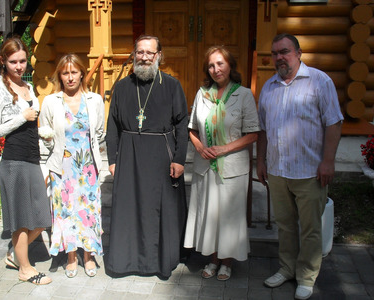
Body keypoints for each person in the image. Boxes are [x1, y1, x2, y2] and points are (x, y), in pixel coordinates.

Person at [256, 33, 343, 300]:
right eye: (275, 53)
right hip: (278, 171)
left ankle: (306, 276)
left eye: (284, 51)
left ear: (298, 52)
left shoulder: (319, 81)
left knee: (309, 228)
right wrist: (260, 160)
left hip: (310, 172)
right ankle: (287, 268)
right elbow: (262, 130)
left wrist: (328, 161)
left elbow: (334, 122)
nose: (279, 57)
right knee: (285, 225)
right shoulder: (269, 86)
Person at [106, 35, 188, 279]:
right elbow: (112, 127)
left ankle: (159, 261)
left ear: (159, 56)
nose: (144, 57)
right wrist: (112, 159)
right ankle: (127, 261)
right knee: (130, 209)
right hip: (129, 157)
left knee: (158, 210)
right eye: (140, 52)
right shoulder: (121, 87)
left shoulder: (172, 86)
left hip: (162, 157)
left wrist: (180, 159)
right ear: (134, 54)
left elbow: (182, 125)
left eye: (149, 53)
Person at [183, 46, 260, 281]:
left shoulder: (244, 95)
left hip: (232, 168)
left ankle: (227, 262)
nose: (216, 69)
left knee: (229, 216)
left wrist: (224, 149)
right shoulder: (202, 93)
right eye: (211, 65)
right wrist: (199, 148)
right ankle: (213, 259)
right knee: (210, 214)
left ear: (230, 65)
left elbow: (253, 134)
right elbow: (192, 129)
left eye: (220, 64)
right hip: (205, 166)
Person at [0, 36, 52, 285]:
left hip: (32, 159)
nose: (19, 66)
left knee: (43, 217)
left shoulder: (28, 87)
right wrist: (22, 117)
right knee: (21, 219)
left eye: (23, 61)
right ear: (3, 61)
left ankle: (15, 255)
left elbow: (33, 121)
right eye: (13, 61)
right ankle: (25, 269)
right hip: (13, 162)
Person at [39, 54, 105, 278]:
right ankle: (70, 256)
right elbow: (44, 132)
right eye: (65, 73)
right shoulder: (51, 101)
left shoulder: (94, 100)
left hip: (88, 167)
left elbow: (99, 132)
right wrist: (50, 146)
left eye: (74, 72)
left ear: (82, 73)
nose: (70, 77)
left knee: (88, 211)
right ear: (60, 75)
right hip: (63, 167)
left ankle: (88, 256)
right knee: (66, 211)